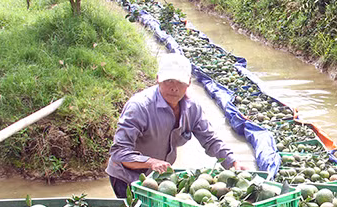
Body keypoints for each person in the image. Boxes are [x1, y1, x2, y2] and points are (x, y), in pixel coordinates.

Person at [106, 53, 249, 198]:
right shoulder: (139, 107)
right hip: (127, 177)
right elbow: (119, 153)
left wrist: (233, 163)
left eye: (180, 82)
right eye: (169, 81)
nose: (174, 88)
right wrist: (150, 162)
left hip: (159, 179)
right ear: (157, 80)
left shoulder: (192, 108)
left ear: (188, 83)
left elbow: (210, 140)